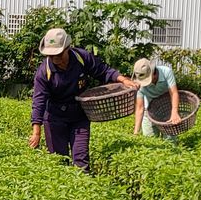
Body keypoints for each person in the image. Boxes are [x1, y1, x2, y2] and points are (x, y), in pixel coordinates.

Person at [29, 28, 137, 172]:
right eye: (51, 55)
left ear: (68, 48)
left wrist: (123, 79)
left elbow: (103, 70)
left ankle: (83, 189)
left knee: (81, 160)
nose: (55, 59)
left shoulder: (81, 57)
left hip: (79, 116)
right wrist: (36, 131)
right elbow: (39, 101)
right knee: (58, 162)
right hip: (55, 118)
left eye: (59, 55)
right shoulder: (44, 72)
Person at [132, 58, 181, 143]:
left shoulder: (166, 72)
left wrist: (174, 112)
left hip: (167, 109)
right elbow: (140, 108)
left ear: (153, 74)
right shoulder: (138, 83)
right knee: (150, 142)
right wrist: (136, 132)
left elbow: (174, 93)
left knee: (170, 143)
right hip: (149, 111)